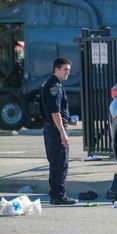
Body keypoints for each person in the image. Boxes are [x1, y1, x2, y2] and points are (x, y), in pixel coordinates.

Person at [40, 58, 78, 205]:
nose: (68, 72)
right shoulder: (54, 86)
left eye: (69, 70)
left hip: (50, 128)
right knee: (60, 164)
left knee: (55, 163)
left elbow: (56, 112)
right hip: (55, 131)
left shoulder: (49, 83)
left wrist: (68, 120)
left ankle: (55, 194)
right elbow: (54, 111)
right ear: (56, 69)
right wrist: (63, 132)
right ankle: (59, 196)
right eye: (65, 69)